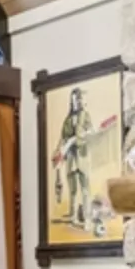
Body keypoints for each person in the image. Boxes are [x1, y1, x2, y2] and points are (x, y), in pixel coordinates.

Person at [52, 88, 92, 227]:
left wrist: (77, 138)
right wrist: (58, 152)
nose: (76, 102)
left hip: (82, 156)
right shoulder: (67, 120)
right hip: (70, 158)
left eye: (78, 99)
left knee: (85, 189)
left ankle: (87, 218)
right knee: (73, 190)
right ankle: (73, 216)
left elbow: (91, 131)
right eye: (73, 100)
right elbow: (62, 139)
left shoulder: (85, 115)